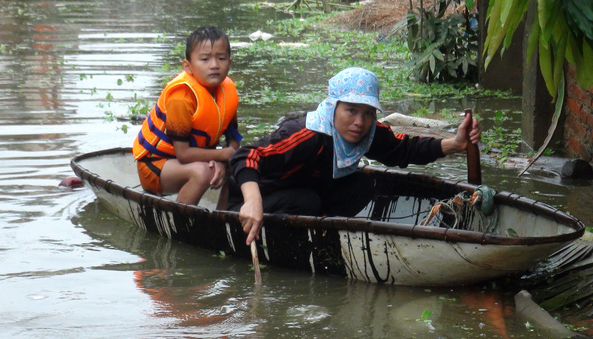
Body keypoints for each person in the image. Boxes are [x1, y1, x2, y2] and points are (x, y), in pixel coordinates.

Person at [228, 67, 481, 245]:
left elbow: (404, 149)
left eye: (368, 113)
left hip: (306, 196)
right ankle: (297, 242)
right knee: (307, 201)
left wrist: (455, 144)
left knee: (362, 185)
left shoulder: (368, 132)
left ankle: (325, 236)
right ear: (334, 107)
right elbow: (245, 156)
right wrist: (252, 201)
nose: (359, 122)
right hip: (251, 206)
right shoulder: (308, 134)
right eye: (351, 110)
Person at [133, 26, 242, 205]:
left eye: (221, 58)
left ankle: (223, 218)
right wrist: (222, 155)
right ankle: (181, 222)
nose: (214, 65)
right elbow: (183, 154)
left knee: (242, 165)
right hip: (157, 165)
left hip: (198, 158)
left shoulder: (227, 90)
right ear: (188, 66)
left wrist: (224, 160)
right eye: (205, 59)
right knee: (202, 172)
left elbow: (233, 138)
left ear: (229, 63)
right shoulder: (181, 97)